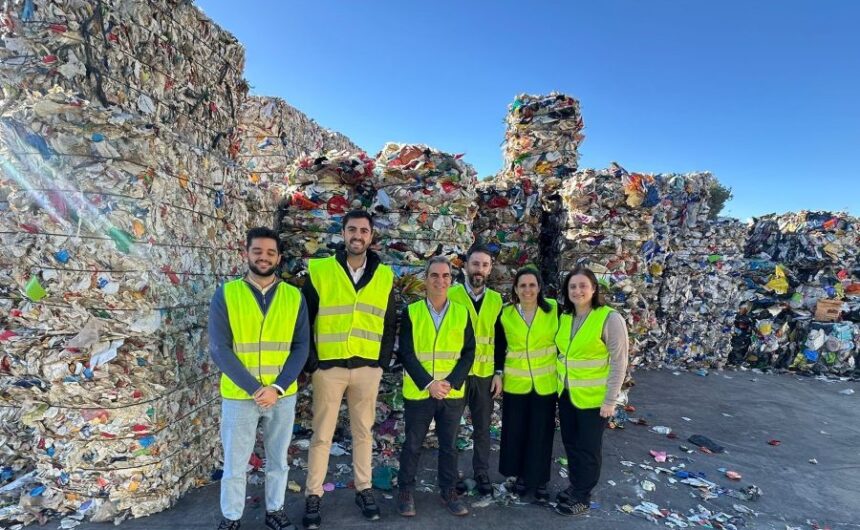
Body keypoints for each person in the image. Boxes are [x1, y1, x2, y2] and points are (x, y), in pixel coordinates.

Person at [301, 210, 397, 529]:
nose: (358, 235)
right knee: (322, 435)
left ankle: (364, 489)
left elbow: (390, 321)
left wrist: (381, 363)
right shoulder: (320, 270)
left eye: (364, 230)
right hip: (329, 368)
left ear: (371, 236)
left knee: (363, 433)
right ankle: (314, 494)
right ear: (343, 233)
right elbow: (305, 319)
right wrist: (312, 362)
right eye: (352, 229)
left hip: (367, 368)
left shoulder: (384, 275)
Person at [209, 227, 309, 530]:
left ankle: (275, 510)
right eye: (257, 251)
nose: (263, 257)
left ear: (278, 257)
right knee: (235, 463)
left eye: (270, 252)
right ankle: (231, 517)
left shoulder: (294, 297)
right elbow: (219, 348)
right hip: (241, 396)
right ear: (247, 253)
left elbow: (301, 346)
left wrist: (277, 387)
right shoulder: (227, 294)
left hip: (281, 395)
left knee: (278, 460)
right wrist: (255, 388)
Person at [396, 256, 476, 517]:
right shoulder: (412, 312)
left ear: (451, 280)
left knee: (449, 445)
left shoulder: (462, 312)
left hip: (451, 392)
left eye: (445, 276)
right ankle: (406, 491)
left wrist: (450, 382)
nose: (440, 281)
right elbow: (406, 353)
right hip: (420, 391)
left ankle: (449, 491)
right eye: (434, 275)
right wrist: (429, 383)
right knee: (412, 444)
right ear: (426, 279)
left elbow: (468, 353)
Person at [554, 266, 629, 516]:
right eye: (572, 286)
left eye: (583, 286)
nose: (578, 291)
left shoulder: (609, 318)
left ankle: (583, 497)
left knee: (588, 448)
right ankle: (575, 486)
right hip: (567, 394)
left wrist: (610, 400)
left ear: (594, 289)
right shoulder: (566, 317)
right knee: (571, 444)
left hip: (595, 400)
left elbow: (619, 361)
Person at [494, 266, 559, 502]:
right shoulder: (506, 314)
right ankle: (520, 476)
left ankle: (539, 480)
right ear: (515, 289)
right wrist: (497, 373)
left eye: (532, 285)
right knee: (517, 432)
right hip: (516, 383)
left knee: (541, 433)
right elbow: (499, 346)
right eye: (522, 285)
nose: (527, 290)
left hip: (545, 383)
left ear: (539, 287)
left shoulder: (554, 310)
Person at [447, 245, 503, 496]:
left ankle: (481, 472)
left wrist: (499, 372)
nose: (479, 269)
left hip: (484, 374)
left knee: (482, 428)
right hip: (457, 373)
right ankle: (450, 474)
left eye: (484, 265)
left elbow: (500, 340)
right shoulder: (452, 295)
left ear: (490, 269)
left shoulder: (496, 300)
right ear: (466, 266)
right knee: (451, 427)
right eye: (475, 264)